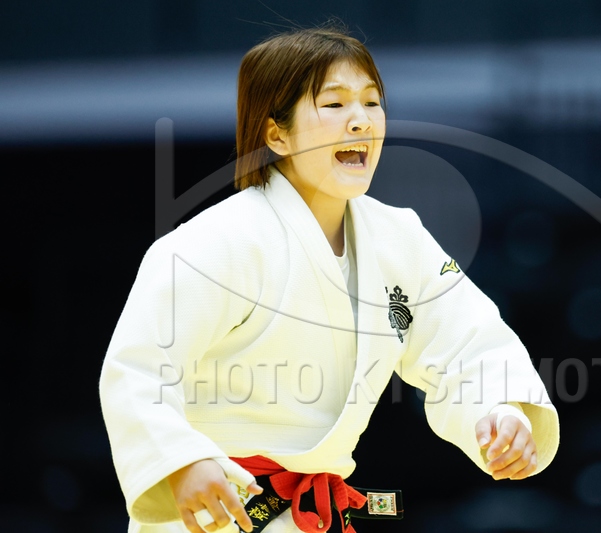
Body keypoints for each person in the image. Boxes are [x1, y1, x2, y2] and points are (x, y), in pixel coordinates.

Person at [99, 21, 560, 533]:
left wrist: (499, 411)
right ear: (276, 134)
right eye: (335, 104)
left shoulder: (398, 239)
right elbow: (138, 370)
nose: (361, 120)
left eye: (372, 102)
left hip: (317, 518)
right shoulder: (215, 242)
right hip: (216, 514)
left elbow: (467, 345)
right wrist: (181, 461)